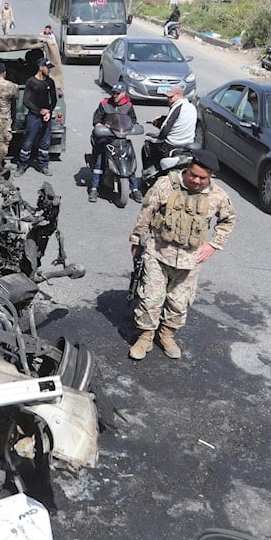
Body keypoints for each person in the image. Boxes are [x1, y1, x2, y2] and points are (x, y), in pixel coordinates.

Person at [128, 149, 235, 360]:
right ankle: (146, 336)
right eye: (193, 175)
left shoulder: (218, 196)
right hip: (157, 253)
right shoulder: (165, 185)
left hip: (190, 259)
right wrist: (136, 241)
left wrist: (213, 245)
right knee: (151, 298)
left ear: (210, 176)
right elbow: (146, 212)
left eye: (202, 178)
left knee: (179, 302)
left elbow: (227, 220)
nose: (196, 180)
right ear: (188, 169)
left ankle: (167, 335)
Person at [90, 82, 142, 203]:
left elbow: (133, 120)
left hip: (121, 138)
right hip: (107, 137)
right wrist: (99, 126)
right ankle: (94, 188)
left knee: (130, 159)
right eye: (114, 93)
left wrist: (133, 126)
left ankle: (134, 190)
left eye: (118, 93)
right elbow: (97, 119)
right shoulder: (105, 104)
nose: (115, 95)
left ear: (123, 93)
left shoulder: (128, 106)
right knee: (99, 160)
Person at [14, 58, 57, 177]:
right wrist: (39, 111)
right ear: (40, 68)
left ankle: (44, 165)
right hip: (33, 117)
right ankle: (22, 166)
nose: (49, 70)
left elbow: (53, 100)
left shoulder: (50, 82)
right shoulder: (31, 82)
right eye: (47, 67)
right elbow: (26, 101)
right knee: (28, 142)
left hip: (46, 118)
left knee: (45, 143)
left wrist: (49, 112)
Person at [142, 84, 198, 174]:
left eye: (171, 97)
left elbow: (165, 129)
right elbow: (178, 120)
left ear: (179, 95)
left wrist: (158, 136)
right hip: (187, 144)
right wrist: (162, 118)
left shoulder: (177, 106)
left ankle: (149, 172)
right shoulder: (191, 107)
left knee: (148, 141)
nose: (169, 100)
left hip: (171, 145)